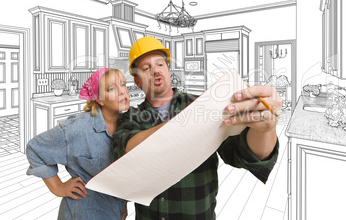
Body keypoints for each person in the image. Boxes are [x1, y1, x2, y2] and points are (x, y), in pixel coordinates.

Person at [113, 36, 281, 220]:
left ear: (169, 70)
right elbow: (126, 151)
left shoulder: (202, 105)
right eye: (146, 68)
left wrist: (265, 129)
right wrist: (186, 123)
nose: (155, 72)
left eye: (160, 64)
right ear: (137, 81)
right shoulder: (130, 117)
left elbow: (241, 153)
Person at [26, 68, 130, 220]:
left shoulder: (128, 128)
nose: (122, 91)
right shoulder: (78, 128)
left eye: (123, 84)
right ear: (99, 99)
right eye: (112, 88)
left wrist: (123, 205)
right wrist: (58, 187)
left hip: (114, 212)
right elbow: (34, 148)